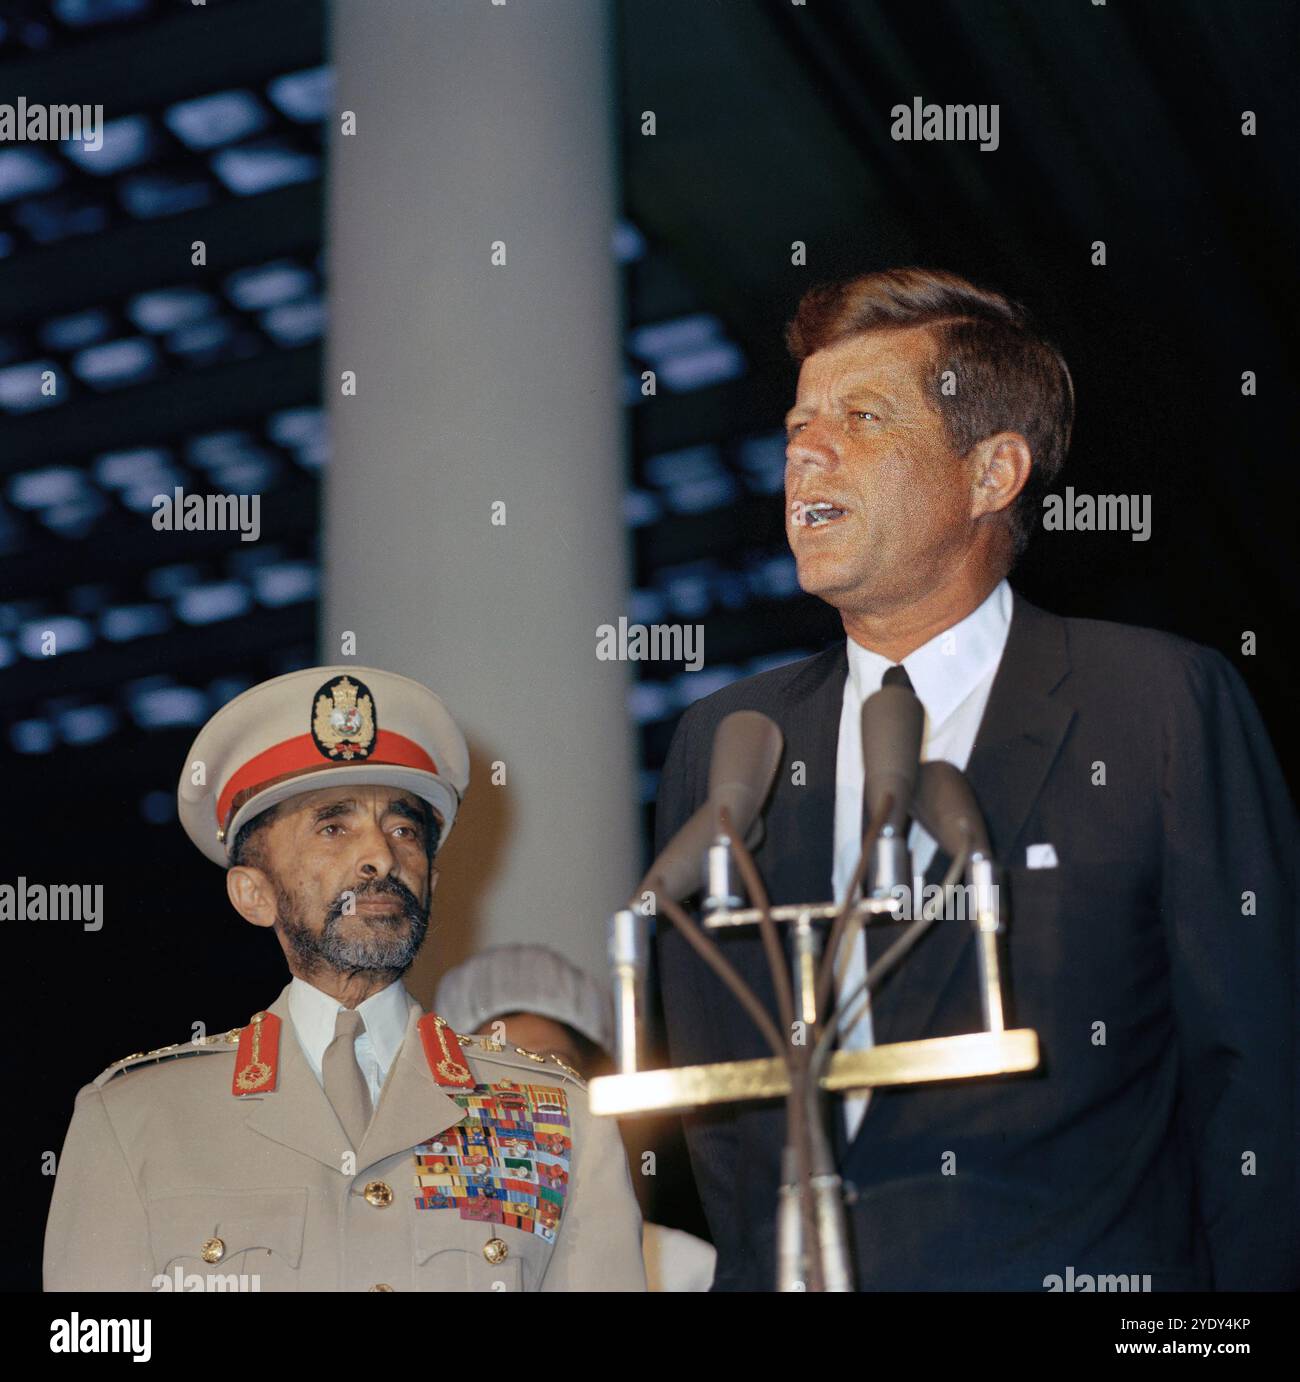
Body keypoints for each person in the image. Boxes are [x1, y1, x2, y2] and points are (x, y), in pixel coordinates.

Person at [654, 267, 1298, 1292]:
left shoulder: (1156, 704)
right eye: (797, 423)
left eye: (861, 417)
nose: (803, 451)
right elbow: (724, 1117)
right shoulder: (728, 740)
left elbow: (1259, 1082)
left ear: (991, 473)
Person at [44, 666, 645, 1292]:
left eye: (403, 829)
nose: (381, 856)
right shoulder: (136, 1119)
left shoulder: (556, 1116)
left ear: (432, 881)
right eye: (334, 826)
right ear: (253, 894)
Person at [435, 943, 717, 1291]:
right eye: (496, 1069)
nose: (523, 1098)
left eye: (550, 1069)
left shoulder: (683, 1269)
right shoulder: (422, 1260)